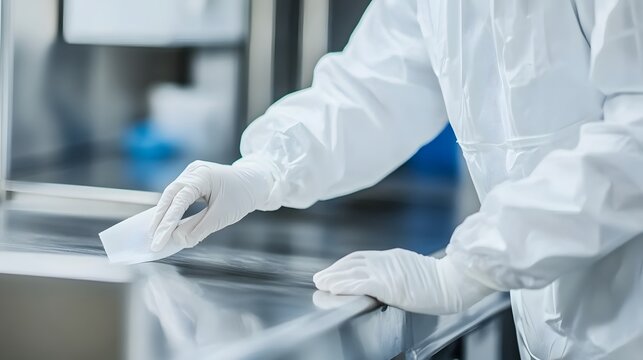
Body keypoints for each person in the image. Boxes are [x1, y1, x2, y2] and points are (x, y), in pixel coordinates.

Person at [148, 0, 643, 358]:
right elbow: (374, 89)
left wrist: (470, 268)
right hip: (555, 332)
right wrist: (263, 170)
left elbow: (635, 141)